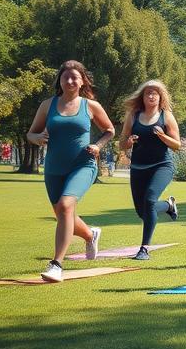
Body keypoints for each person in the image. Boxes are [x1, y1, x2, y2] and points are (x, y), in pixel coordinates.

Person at [25, 61, 117, 282]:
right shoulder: (48, 105)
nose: (70, 81)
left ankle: (56, 264)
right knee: (62, 213)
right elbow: (31, 133)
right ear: (60, 80)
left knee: (66, 206)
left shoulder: (90, 105)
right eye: (65, 77)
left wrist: (98, 146)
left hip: (83, 164)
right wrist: (36, 138)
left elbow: (109, 130)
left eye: (75, 77)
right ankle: (90, 234)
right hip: (54, 168)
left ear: (83, 80)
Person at [119, 79, 183, 260]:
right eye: (148, 93)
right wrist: (128, 142)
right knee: (142, 212)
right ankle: (168, 206)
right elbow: (121, 144)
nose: (151, 96)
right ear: (143, 96)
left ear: (161, 97)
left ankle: (144, 249)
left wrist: (163, 136)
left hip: (162, 166)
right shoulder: (133, 115)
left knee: (149, 201)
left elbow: (177, 145)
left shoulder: (166, 116)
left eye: (155, 93)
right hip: (138, 168)